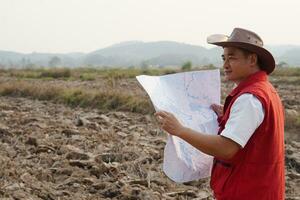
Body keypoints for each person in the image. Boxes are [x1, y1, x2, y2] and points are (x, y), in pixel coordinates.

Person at [155, 28, 285, 200]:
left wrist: (180, 130)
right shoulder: (265, 91)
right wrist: (229, 116)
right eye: (224, 58)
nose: (225, 65)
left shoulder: (249, 98)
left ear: (252, 59)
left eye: (232, 57)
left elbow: (226, 148)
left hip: (247, 193)